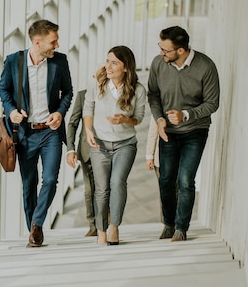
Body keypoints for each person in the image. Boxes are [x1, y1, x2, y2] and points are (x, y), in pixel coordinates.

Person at [0, 19, 73, 247]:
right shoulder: (14, 61)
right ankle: (33, 228)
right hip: (25, 134)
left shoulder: (59, 62)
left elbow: (67, 92)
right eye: (53, 41)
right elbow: (4, 89)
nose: (57, 45)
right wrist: (11, 112)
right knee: (29, 183)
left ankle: (37, 224)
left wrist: (59, 113)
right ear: (38, 42)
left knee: (50, 180)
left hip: (50, 132)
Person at [148, 25, 220, 242]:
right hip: (168, 132)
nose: (161, 53)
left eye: (165, 50)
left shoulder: (206, 67)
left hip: (195, 131)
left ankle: (181, 228)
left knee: (185, 180)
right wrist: (159, 118)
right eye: (160, 48)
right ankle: (168, 224)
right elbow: (153, 95)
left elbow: (212, 103)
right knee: (166, 180)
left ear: (181, 50)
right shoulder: (158, 63)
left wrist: (186, 115)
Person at [82, 46, 146, 245]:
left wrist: (124, 120)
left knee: (117, 182)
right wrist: (89, 131)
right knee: (101, 189)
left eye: (114, 62)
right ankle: (101, 231)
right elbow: (88, 108)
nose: (108, 66)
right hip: (99, 144)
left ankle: (114, 227)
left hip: (125, 144)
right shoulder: (97, 84)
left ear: (126, 68)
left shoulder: (138, 89)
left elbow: (139, 118)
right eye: (107, 60)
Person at [66, 89, 97, 237]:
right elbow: (72, 123)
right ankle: (93, 225)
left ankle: (107, 222)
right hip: (86, 150)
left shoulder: (114, 93)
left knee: (108, 187)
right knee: (90, 190)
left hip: (109, 150)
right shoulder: (83, 96)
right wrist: (70, 149)